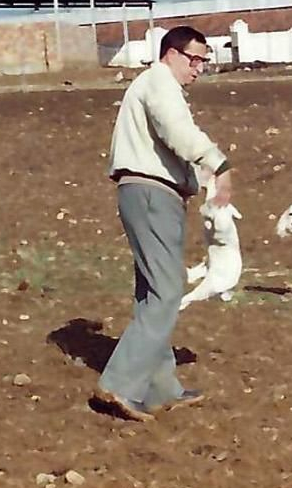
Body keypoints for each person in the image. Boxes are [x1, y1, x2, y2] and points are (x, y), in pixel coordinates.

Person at [93, 26, 233, 421]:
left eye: (205, 61)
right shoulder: (159, 82)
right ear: (171, 53)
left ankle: (159, 388)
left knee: (154, 293)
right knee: (168, 290)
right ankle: (118, 385)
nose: (199, 68)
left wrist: (196, 179)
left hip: (156, 195)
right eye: (195, 59)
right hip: (151, 195)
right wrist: (217, 163)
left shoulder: (156, 85)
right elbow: (177, 131)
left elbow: (169, 145)